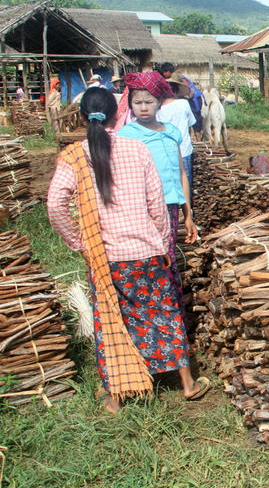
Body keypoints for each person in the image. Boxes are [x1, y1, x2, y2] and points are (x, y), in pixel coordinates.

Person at [47, 87, 208, 414]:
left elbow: (54, 205)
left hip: (106, 257)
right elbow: (158, 207)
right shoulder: (137, 150)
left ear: (81, 118)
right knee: (165, 314)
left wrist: (78, 241)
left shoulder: (74, 157)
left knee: (112, 321)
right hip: (147, 251)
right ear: (119, 114)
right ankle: (188, 384)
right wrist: (163, 244)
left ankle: (115, 397)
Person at [118, 71, 198, 325]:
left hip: (171, 207)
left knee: (167, 261)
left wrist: (188, 213)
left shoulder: (171, 132)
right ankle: (151, 320)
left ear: (159, 102)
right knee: (147, 264)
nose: (143, 107)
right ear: (130, 104)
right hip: (140, 210)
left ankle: (172, 323)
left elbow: (180, 173)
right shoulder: (126, 136)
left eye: (149, 101)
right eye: (138, 102)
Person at [159, 72, 197, 196]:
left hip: (165, 152)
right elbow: (191, 124)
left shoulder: (158, 109)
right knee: (185, 183)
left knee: (169, 186)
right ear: (176, 91)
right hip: (184, 150)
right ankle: (187, 211)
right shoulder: (183, 104)